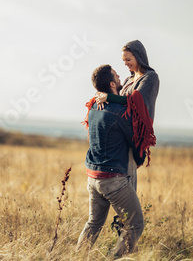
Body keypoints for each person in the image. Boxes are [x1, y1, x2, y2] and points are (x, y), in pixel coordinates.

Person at [77, 64, 145, 258]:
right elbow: (136, 141)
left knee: (93, 223)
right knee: (136, 224)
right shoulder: (119, 111)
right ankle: (113, 258)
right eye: (117, 74)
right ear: (113, 84)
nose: (120, 75)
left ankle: (77, 257)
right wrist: (141, 158)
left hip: (92, 177)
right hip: (113, 179)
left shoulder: (92, 109)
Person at [96, 40, 159, 191]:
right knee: (117, 181)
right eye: (123, 60)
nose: (125, 63)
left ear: (139, 57)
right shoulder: (128, 80)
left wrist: (109, 98)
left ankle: (127, 214)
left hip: (133, 135)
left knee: (127, 185)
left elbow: (136, 102)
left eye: (128, 60)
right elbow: (117, 99)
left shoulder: (150, 78)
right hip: (120, 136)